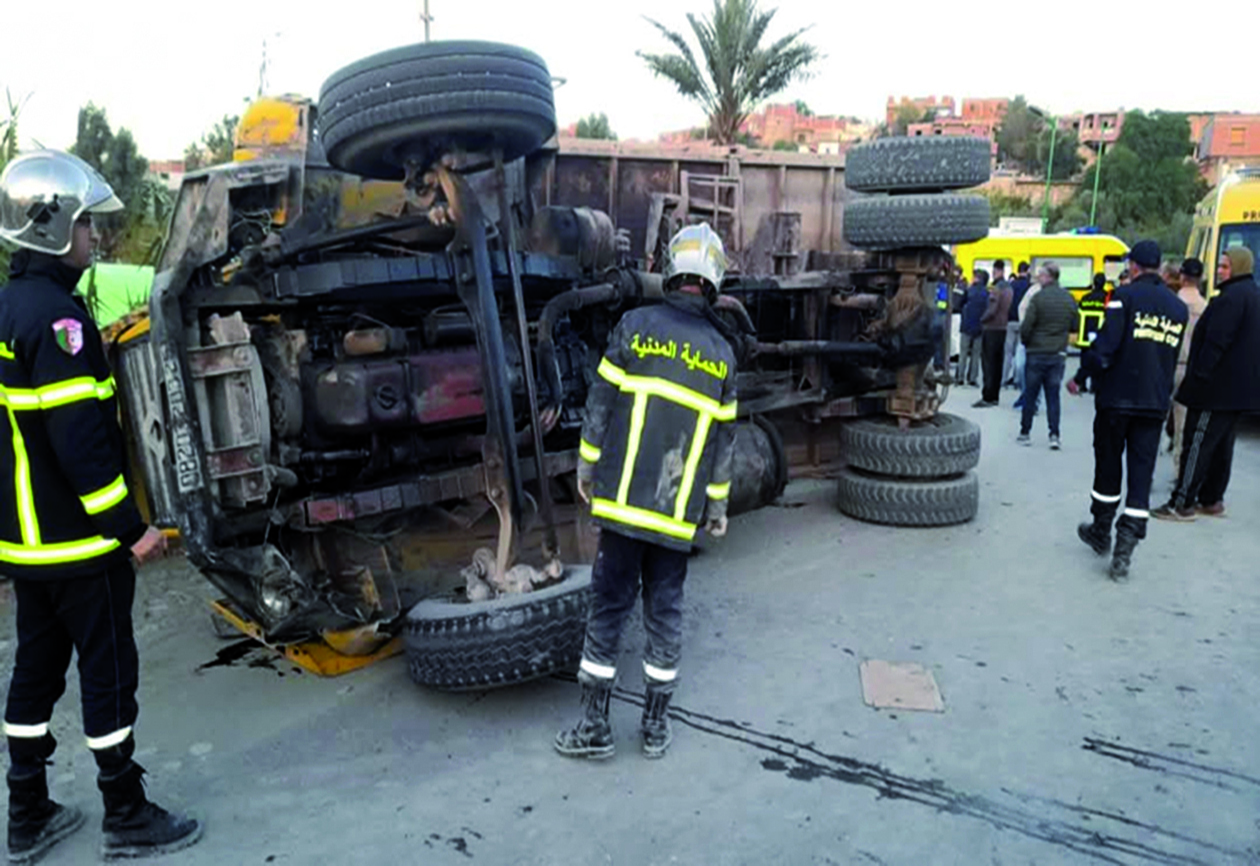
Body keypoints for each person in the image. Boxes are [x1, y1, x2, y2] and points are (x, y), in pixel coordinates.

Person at [0, 150, 202, 862]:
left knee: (34, 673)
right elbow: (81, 444)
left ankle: (25, 814)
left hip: (27, 551)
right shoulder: (60, 322)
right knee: (108, 673)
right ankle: (126, 812)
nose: (95, 238)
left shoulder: (6, 310)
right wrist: (133, 530)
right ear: (52, 227)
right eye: (86, 225)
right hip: (82, 547)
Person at [556, 223, 737, 761]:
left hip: (621, 507)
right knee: (665, 611)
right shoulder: (723, 355)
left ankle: (594, 728)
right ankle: (655, 729)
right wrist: (718, 507)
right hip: (676, 519)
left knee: (609, 611)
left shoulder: (633, 327)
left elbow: (599, 407)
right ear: (712, 282)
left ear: (671, 269)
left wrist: (586, 470)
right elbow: (723, 444)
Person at [1069, 240, 1188, 580]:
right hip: (1153, 403)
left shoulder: (1125, 296)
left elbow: (1105, 347)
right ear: (1159, 266)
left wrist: (1081, 375)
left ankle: (1101, 529)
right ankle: (1125, 549)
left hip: (1117, 399)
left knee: (1108, 465)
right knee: (1141, 473)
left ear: (1134, 266)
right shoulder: (1177, 308)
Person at [1154, 248, 1260, 521]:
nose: (1220, 270)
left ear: (1238, 267)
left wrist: (1198, 379)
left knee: (1197, 443)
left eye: (1225, 266)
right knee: (1222, 445)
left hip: (1214, 388)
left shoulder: (1230, 300)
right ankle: (1212, 498)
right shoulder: (1252, 295)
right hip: (1237, 390)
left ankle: (1182, 503)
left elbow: (1216, 343)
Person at [1017, 263, 1077, 449]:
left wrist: (1027, 343)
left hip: (1036, 352)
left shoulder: (1038, 298)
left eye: (1040, 275)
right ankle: (1054, 435)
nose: (1038, 279)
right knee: (1053, 396)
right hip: (1057, 354)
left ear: (1048, 277)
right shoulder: (1069, 299)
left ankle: (1025, 432)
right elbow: (1076, 324)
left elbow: (1027, 326)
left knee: (1030, 394)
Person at [1167, 259, 1208, 470]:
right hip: (1190, 368)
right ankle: (1179, 470)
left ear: (1182, 277)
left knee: (1154, 420)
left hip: (1168, 365)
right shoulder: (1205, 307)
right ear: (1200, 279)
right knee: (1183, 425)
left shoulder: (1172, 303)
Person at [975, 265, 1013, 407]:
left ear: (997, 272)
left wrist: (982, 319)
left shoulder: (996, 289)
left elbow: (992, 309)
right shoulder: (1009, 288)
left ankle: (987, 396)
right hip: (1003, 328)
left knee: (988, 363)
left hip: (991, 328)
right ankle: (995, 396)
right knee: (998, 363)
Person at [957, 270, 988, 386]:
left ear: (975, 278)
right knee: (976, 354)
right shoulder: (986, 293)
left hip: (966, 326)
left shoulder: (968, 291)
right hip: (980, 327)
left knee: (963, 353)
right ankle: (972, 379)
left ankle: (960, 377)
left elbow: (960, 304)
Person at [1004, 262, 1031, 388]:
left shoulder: (1011, 285)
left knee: (1008, 352)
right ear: (1027, 271)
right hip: (1024, 322)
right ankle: (1017, 379)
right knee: (1020, 352)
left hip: (1010, 321)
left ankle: (1004, 378)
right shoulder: (1030, 287)